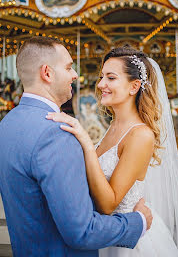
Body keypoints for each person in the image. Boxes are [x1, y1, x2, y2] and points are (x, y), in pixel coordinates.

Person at [0, 37, 152, 257]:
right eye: (69, 67)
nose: (74, 75)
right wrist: (138, 222)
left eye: (110, 77)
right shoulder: (55, 134)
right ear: (47, 73)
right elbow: (81, 231)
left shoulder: (7, 124)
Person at [47, 46, 178, 257]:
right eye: (102, 76)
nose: (101, 84)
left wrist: (86, 142)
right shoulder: (114, 126)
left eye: (111, 78)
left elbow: (108, 203)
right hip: (105, 234)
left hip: (129, 243)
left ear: (134, 87)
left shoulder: (140, 135)